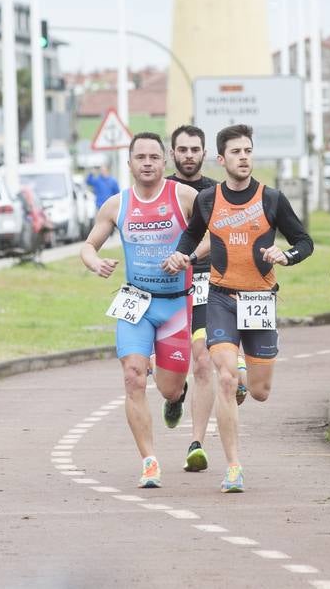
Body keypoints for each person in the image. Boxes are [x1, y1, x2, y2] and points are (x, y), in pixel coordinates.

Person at [165, 123, 314, 494]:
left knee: (260, 391)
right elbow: (192, 234)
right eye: (236, 152)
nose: (243, 157)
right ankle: (233, 467)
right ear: (222, 159)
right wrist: (182, 255)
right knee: (226, 378)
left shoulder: (272, 199)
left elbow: (304, 240)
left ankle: (247, 376)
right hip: (220, 297)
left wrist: (287, 254)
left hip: (260, 299)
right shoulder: (208, 200)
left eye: (248, 150)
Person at [81, 132, 198, 489]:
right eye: (140, 157)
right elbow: (88, 244)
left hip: (177, 305)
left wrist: (188, 256)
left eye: (154, 157)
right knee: (133, 376)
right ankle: (149, 460)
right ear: (129, 163)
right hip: (136, 304)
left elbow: (213, 234)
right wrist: (94, 262)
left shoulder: (185, 197)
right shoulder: (117, 205)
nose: (147, 163)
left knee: (167, 388)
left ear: (165, 162)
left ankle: (177, 397)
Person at [165, 124, 228, 474]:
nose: (189, 155)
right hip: (168, 288)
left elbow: (223, 236)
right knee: (170, 380)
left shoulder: (217, 193)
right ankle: (175, 396)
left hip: (206, 282)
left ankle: (197, 444)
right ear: (172, 153)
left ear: (204, 153)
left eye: (194, 149)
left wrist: (191, 257)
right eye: (182, 149)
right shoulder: (163, 191)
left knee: (202, 361)